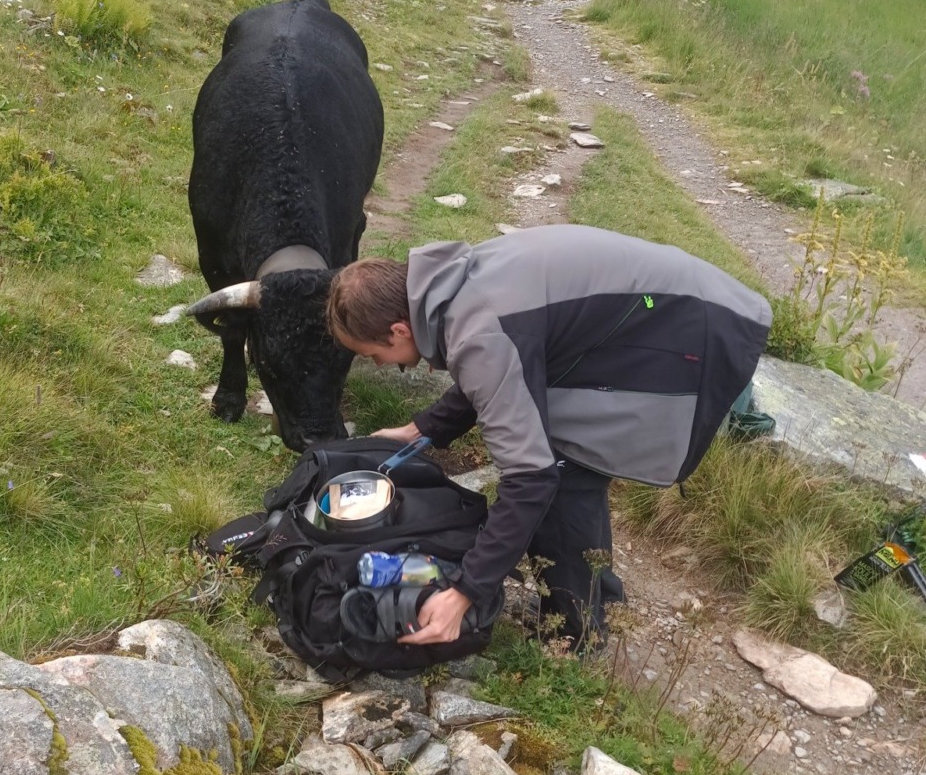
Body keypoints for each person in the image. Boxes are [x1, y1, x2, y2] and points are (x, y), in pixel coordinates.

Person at [326, 226, 771, 649]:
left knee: (562, 464)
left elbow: (529, 478)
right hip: (675, 306)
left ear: (400, 330)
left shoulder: (480, 330)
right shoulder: (452, 283)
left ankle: (576, 633)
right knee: (559, 453)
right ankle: (600, 596)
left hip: (693, 326)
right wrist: (424, 428)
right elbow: (504, 367)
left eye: (375, 355)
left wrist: (464, 593)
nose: (381, 366)